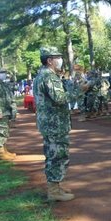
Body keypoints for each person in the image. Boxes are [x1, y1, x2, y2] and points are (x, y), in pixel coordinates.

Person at [33, 46, 74, 202]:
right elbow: (60, 98)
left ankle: (55, 187)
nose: (60, 60)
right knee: (57, 156)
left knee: (53, 155)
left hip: (49, 123)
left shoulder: (41, 75)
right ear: (49, 60)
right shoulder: (49, 76)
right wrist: (80, 90)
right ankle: (54, 191)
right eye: (57, 57)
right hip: (54, 124)